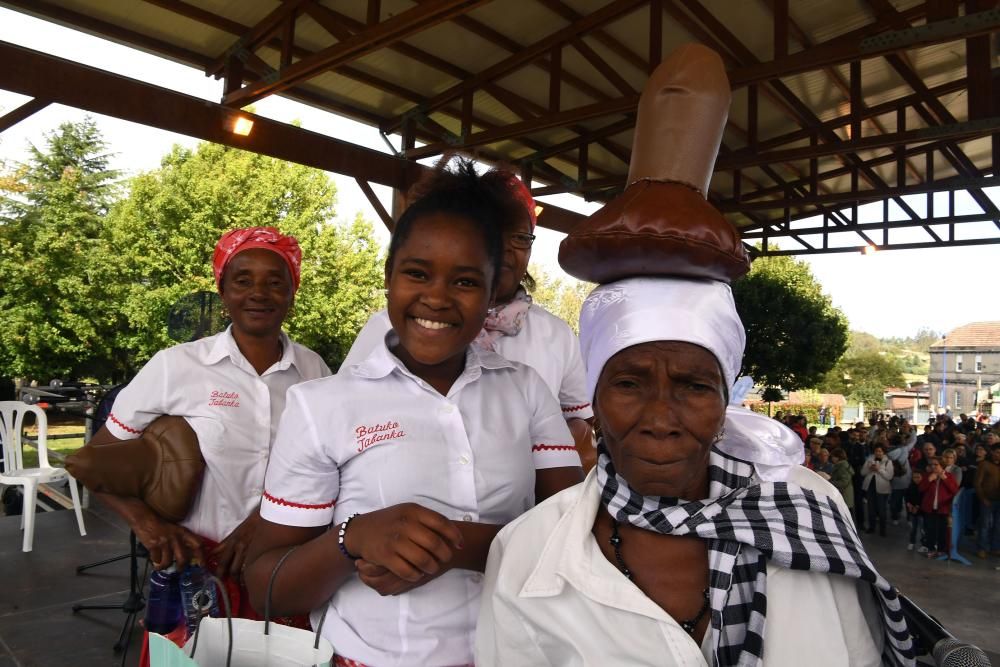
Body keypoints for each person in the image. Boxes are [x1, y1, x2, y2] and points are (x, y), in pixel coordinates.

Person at [243, 162, 583, 667]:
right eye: (417, 273)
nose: (437, 298)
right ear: (388, 276)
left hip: (515, 653)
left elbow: (574, 540)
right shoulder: (322, 405)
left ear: (492, 294)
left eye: (465, 281)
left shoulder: (526, 390)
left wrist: (459, 546)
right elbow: (267, 587)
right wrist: (351, 539)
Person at [476, 277, 912, 667]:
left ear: (725, 405)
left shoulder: (806, 510)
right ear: (596, 406)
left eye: (695, 386)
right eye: (628, 384)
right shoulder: (527, 555)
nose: (661, 420)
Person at [83, 228, 331, 650]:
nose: (259, 293)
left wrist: (266, 521)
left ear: (293, 293)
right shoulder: (177, 366)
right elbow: (93, 460)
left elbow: (331, 467)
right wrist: (148, 524)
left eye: (276, 281)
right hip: (198, 571)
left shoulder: (316, 372)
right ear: (222, 290)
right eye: (242, 279)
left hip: (284, 569)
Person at [341, 168, 596, 468]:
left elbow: (581, 425)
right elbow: (341, 417)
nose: (506, 248)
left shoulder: (554, 336)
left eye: (520, 238)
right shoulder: (392, 327)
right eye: (494, 233)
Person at [918, 457, 958, 558]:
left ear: (942, 465)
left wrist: (944, 479)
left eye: (936, 465)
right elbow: (921, 489)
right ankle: (931, 549)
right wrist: (929, 479)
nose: (933, 466)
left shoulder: (949, 476)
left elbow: (954, 490)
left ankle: (941, 550)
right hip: (930, 508)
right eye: (932, 465)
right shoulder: (928, 475)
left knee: (942, 530)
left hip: (943, 508)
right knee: (930, 530)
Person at [862, 445, 894, 537]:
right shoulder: (869, 460)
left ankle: (882, 530)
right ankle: (871, 527)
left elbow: (889, 476)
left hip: (882, 489)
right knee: (870, 508)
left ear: (884, 452)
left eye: (880, 451)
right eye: (876, 451)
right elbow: (862, 472)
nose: (878, 453)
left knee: (882, 510)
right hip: (870, 487)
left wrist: (879, 469)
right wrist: (869, 468)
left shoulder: (888, 462)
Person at [974, 445, 1000, 559]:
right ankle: (982, 548)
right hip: (987, 500)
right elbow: (977, 483)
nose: (998, 454)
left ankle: (995, 547)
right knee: (984, 525)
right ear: (992, 452)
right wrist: (983, 498)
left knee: (998, 526)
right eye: (997, 452)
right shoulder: (984, 464)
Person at [829, 448, 854, 513]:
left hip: (844, 495)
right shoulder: (841, 465)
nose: (832, 458)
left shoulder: (842, 466)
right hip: (845, 495)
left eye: (833, 456)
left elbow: (843, 482)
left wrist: (830, 482)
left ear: (838, 457)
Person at [905, 470, 924, 552]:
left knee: (922, 529)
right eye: (914, 477)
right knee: (913, 528)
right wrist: (909, 504)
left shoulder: (923, 487)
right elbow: (907, 497)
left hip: (922, 512)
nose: (916, 479)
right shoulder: (910, 486)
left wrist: (917, 506)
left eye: (918, 477)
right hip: (912, 511)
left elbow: (923, 499)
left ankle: (924, 544)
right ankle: (912, 542)